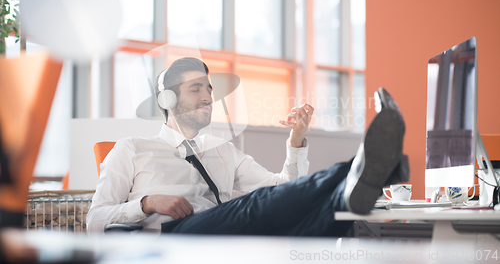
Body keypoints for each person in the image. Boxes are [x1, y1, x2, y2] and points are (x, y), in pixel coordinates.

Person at [87, 57, 409, 236]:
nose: (207, 97)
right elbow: (94, 221)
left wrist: (296, 141)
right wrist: (147, 203)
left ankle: (357, 183)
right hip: (172, 239)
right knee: (253, 206)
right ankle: (364, 166)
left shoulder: (222, 150)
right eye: (196, 88)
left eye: (209, 89)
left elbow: (283, 189)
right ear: (167, 100)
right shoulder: (132, 149)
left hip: (223, 231)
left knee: (317, 222)